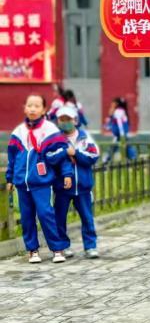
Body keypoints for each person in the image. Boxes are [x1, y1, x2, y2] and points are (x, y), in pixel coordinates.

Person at [5, 94, 73, 263]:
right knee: (27, 217)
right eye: (29, 105)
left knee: (45, 214)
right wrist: (10, 178)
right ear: (25, 108)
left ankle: (57, 249)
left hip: (41, 182)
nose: (32, 109)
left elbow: (63, 154)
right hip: (22, 183)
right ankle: (32, 250)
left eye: (36, 106)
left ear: (43, 110)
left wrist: (67, 174)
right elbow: (12, 158)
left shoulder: (50, 130)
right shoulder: (18, 132)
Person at [53, 106, 100, 258]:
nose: (65, 122)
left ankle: (90, 246)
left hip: (83, 187)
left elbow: (93, 156)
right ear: (58, 121)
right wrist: (64, 154)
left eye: (68, 119)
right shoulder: (56, 139)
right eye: (62, 119)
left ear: (75, 120)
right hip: (62, 187)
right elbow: (51, 158)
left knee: (87, 218)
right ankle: (63, 246)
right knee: (60, 217)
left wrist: (75, 154)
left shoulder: (85, 137)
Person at [103, 97, 136, 163]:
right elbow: (111, 122)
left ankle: (106, 160)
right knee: (125, 146)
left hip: (120, 134)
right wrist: (108, 125)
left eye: (113, 103)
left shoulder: (119, 111)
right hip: (120, 134)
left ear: (116, 104)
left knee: (119, 146)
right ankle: (132, 159)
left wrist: (121, 133)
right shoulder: (118, 111)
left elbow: (119, 123)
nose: (111, 104)